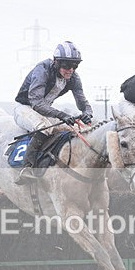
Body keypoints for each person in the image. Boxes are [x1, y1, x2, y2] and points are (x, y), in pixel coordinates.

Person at [13, 41, 94, 184]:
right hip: (25, 108)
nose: (70, 70)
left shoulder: (74, 78)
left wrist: (87, 112)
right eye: (66, 65)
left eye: (75, 66)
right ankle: (27, 168)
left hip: (45, 110)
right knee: (45, 128)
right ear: (56, 62)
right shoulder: (42, 70)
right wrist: (62, 115)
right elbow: (36, 103)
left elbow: (82, 102)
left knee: (77, 129)